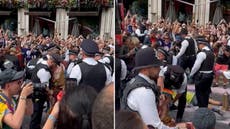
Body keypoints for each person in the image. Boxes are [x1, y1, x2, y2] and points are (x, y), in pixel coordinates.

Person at [120, 47, 185, 129]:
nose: (159, 68)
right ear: (145, 69)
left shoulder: (140, 81)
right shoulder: (144, 91)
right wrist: (179, 128)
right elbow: (154, 126)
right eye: (156, 66)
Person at [30, 53, 62, 129]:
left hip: (36, 93)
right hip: (38, 94)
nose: (56, 67)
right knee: (37, 113)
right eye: (55, 65)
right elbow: (45, 86)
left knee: (37, 112)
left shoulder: (41, 63)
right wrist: (51, 93)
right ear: (52, 62)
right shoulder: (45, 71)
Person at [190, 38, 215, 107]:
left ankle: (202, 110)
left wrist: (191, 74)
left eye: (198, 45)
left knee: (200, 94)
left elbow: (196, 66)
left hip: (202, 76)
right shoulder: (211, 53)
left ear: (201, 44)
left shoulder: (202, 53)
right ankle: (205, 108)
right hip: (210, 75)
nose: (198, 46)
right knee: (206, 94)